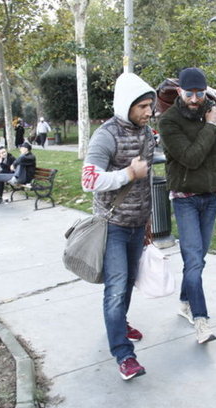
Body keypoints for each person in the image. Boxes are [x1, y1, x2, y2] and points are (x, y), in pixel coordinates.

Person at [81, 72, 155, 381]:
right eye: (143, 107)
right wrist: (128, 174)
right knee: (115, 288)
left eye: (150, 106)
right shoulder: (105, 135)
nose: (149, 112)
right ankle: (124, 355)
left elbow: (147, 179)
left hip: (138, 224)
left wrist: (148, 219)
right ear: (127, 105)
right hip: (112, 226)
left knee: (127, 283)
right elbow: (88, 180)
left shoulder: (147, 133)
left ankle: (119, 324)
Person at [158, 67, 216, 344]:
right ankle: (201, 321)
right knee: (193, 260)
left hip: (211, 197)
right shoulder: (168, 121)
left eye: (199, 93)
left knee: (197, 260)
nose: (194, 99)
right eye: (189, 93)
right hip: (185, 199)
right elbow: (191, 157)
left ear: (205, 91)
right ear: (179, 91)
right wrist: (210, 126)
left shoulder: (215, 113)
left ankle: (184, 302)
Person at [0, 142, 36, 208]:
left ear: (26, 149)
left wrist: (13, 164)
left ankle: (15, 178)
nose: (20, 150)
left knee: (21, 162)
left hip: (23, 178)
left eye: (21, 148)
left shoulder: (31, 157)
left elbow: (20, 159)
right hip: (15, 176)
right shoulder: (24, 156)